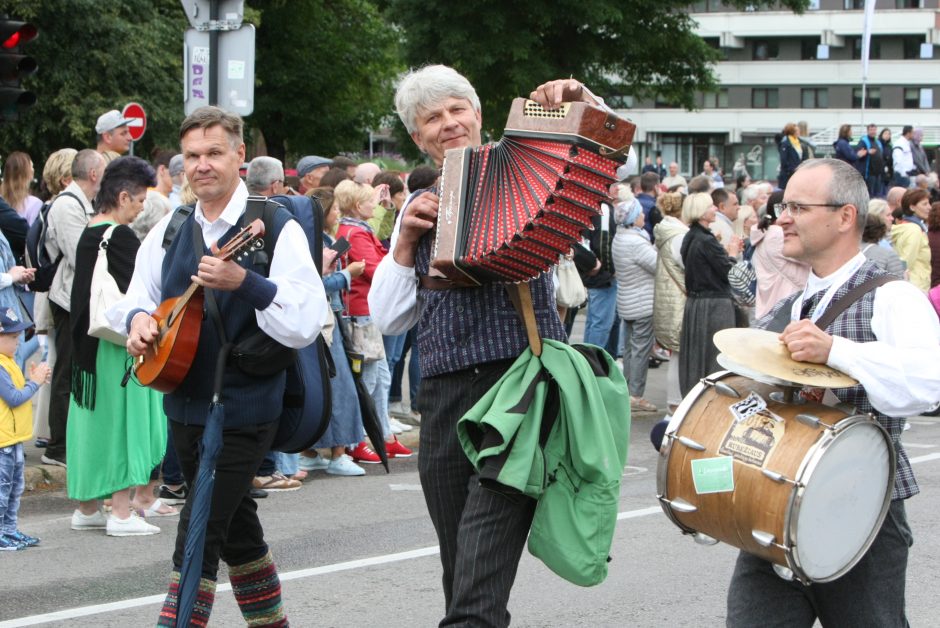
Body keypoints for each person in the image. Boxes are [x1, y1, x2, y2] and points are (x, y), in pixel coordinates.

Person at [370, 65, 596, 626]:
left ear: (477, 115)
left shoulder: (525, 165)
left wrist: (578, 99)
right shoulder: (416, 202)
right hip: (444, 398)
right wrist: (403, 242)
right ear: (418, 136)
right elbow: (390, 318)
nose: (448, 124)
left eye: (456, 110)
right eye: (432, 118)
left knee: (474, 583)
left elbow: (595, 150)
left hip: (518, 390)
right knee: (463, 575)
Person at [115, 106, 327, 626]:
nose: (202, 164)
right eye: (192, 156)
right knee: (237, 526)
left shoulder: (276, 225)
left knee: (202, 526)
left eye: (214, 153)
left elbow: (306, 319)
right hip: (182, 402)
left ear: (239, 156)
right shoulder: (171, 226)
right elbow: (134, 297)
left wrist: (245, 283)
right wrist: (140, 321)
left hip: (246, 407)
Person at [726, 157, 940, 627]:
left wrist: (836, 350)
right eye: (783, 205)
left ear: (844, 217)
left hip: (862, 510)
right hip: (776, 506)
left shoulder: (893, 295)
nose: (782, 218)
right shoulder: (801, 299)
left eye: (797, 207)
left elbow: (930, 380)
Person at [67, 157, 177, 537]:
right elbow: (142, 293)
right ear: (124, 195)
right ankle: (121, 513)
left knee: (92, 426)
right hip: (116, 344)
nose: (143, 206)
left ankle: (87, 507)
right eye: (140, 199)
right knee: (122, 426)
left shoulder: (88, 231)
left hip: (85, 347)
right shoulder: (121, 235)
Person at [334, 179, 413, 460]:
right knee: (368, 378)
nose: (375, 205)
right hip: (362, 310)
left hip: (364, 308)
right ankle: (357, 439)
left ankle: (382, 434)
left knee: (380, 375)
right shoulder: (355, 233)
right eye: (371, 201)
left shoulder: (357, 229)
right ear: (358, 205)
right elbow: (376, 268)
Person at [42, 149, 107, 468]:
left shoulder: (83, 203)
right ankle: (58, 447)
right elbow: (81, 253)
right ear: (94, 173)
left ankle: (70, 442)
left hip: (78, 298)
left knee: (78, 369)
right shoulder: (68, 205)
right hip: (68, 300)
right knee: (67, 371)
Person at [298, 187, 370, 475]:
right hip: (323, 321)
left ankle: (316, 450)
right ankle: (337, 453)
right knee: (338, 385)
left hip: (329, 318)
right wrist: (346, 275)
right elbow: (313, 286)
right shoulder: (311, 243)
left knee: (332, 384)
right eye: (334, 209)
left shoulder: (321, 239)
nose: (338, 214)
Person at [678, 192, 741, 396]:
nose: (715, 209)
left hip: (696, 303)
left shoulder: (691, 236)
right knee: (716, 356)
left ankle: (695, 396)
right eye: (710, 206)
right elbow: (728, 272)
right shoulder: (705, 240)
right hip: (714, 304)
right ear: (701, 212)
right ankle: (712, 399)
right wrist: (732, 254)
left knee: (696, 356)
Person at [0, 308, 50, 551]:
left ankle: (9, 529)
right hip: (3, 443)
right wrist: (36, 382)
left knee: (13, 489)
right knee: (2, 490)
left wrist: (31, 380)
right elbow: (14, 398)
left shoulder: (8, 362)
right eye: (12, 337)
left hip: (13, 440)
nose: (17, 342)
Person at [612, 197, 657, 412]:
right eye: (639, 214)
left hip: (627, 300)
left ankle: (626, 390)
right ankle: (636, 395)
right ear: (631, 218)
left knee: (630, 348)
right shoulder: (636, 242)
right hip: (642, 301)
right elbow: (658, 265)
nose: (643, 216)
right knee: (640, 350)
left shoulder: (620, 237)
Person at [652, 192, 688, 415]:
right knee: (679, 354)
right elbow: (686, 264)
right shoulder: (679, 235)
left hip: (669, 299)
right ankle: (675, 404)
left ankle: (674, 404)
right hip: (678, 300)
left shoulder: (664, 231)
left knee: (677, 354)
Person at [750, 191, 810, 318]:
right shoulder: (777, 234)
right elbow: (809, 258)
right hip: (785, 304)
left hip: (771, 304)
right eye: (794, 208)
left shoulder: (765, 233)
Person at [891, 188, 931, 291]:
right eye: (924, 204)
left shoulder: (909, 227)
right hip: (916, 286)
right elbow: (906, 263)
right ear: (912, 207)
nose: (929, 207)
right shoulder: (914, 230)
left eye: (929, 203)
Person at [1, 152, 42, 226]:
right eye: (32, 167)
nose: (33, 170)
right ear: (29, 174)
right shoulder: (35, 204)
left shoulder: (1, 201)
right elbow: (32, 236)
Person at [777, 122, 808, 190]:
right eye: (796, 131)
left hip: (798, 172)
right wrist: (790, 170)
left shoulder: (799, 143)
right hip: (788, 174)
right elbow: (784, 160)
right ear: (791, 132)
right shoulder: (785, 143)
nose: (799, 132)